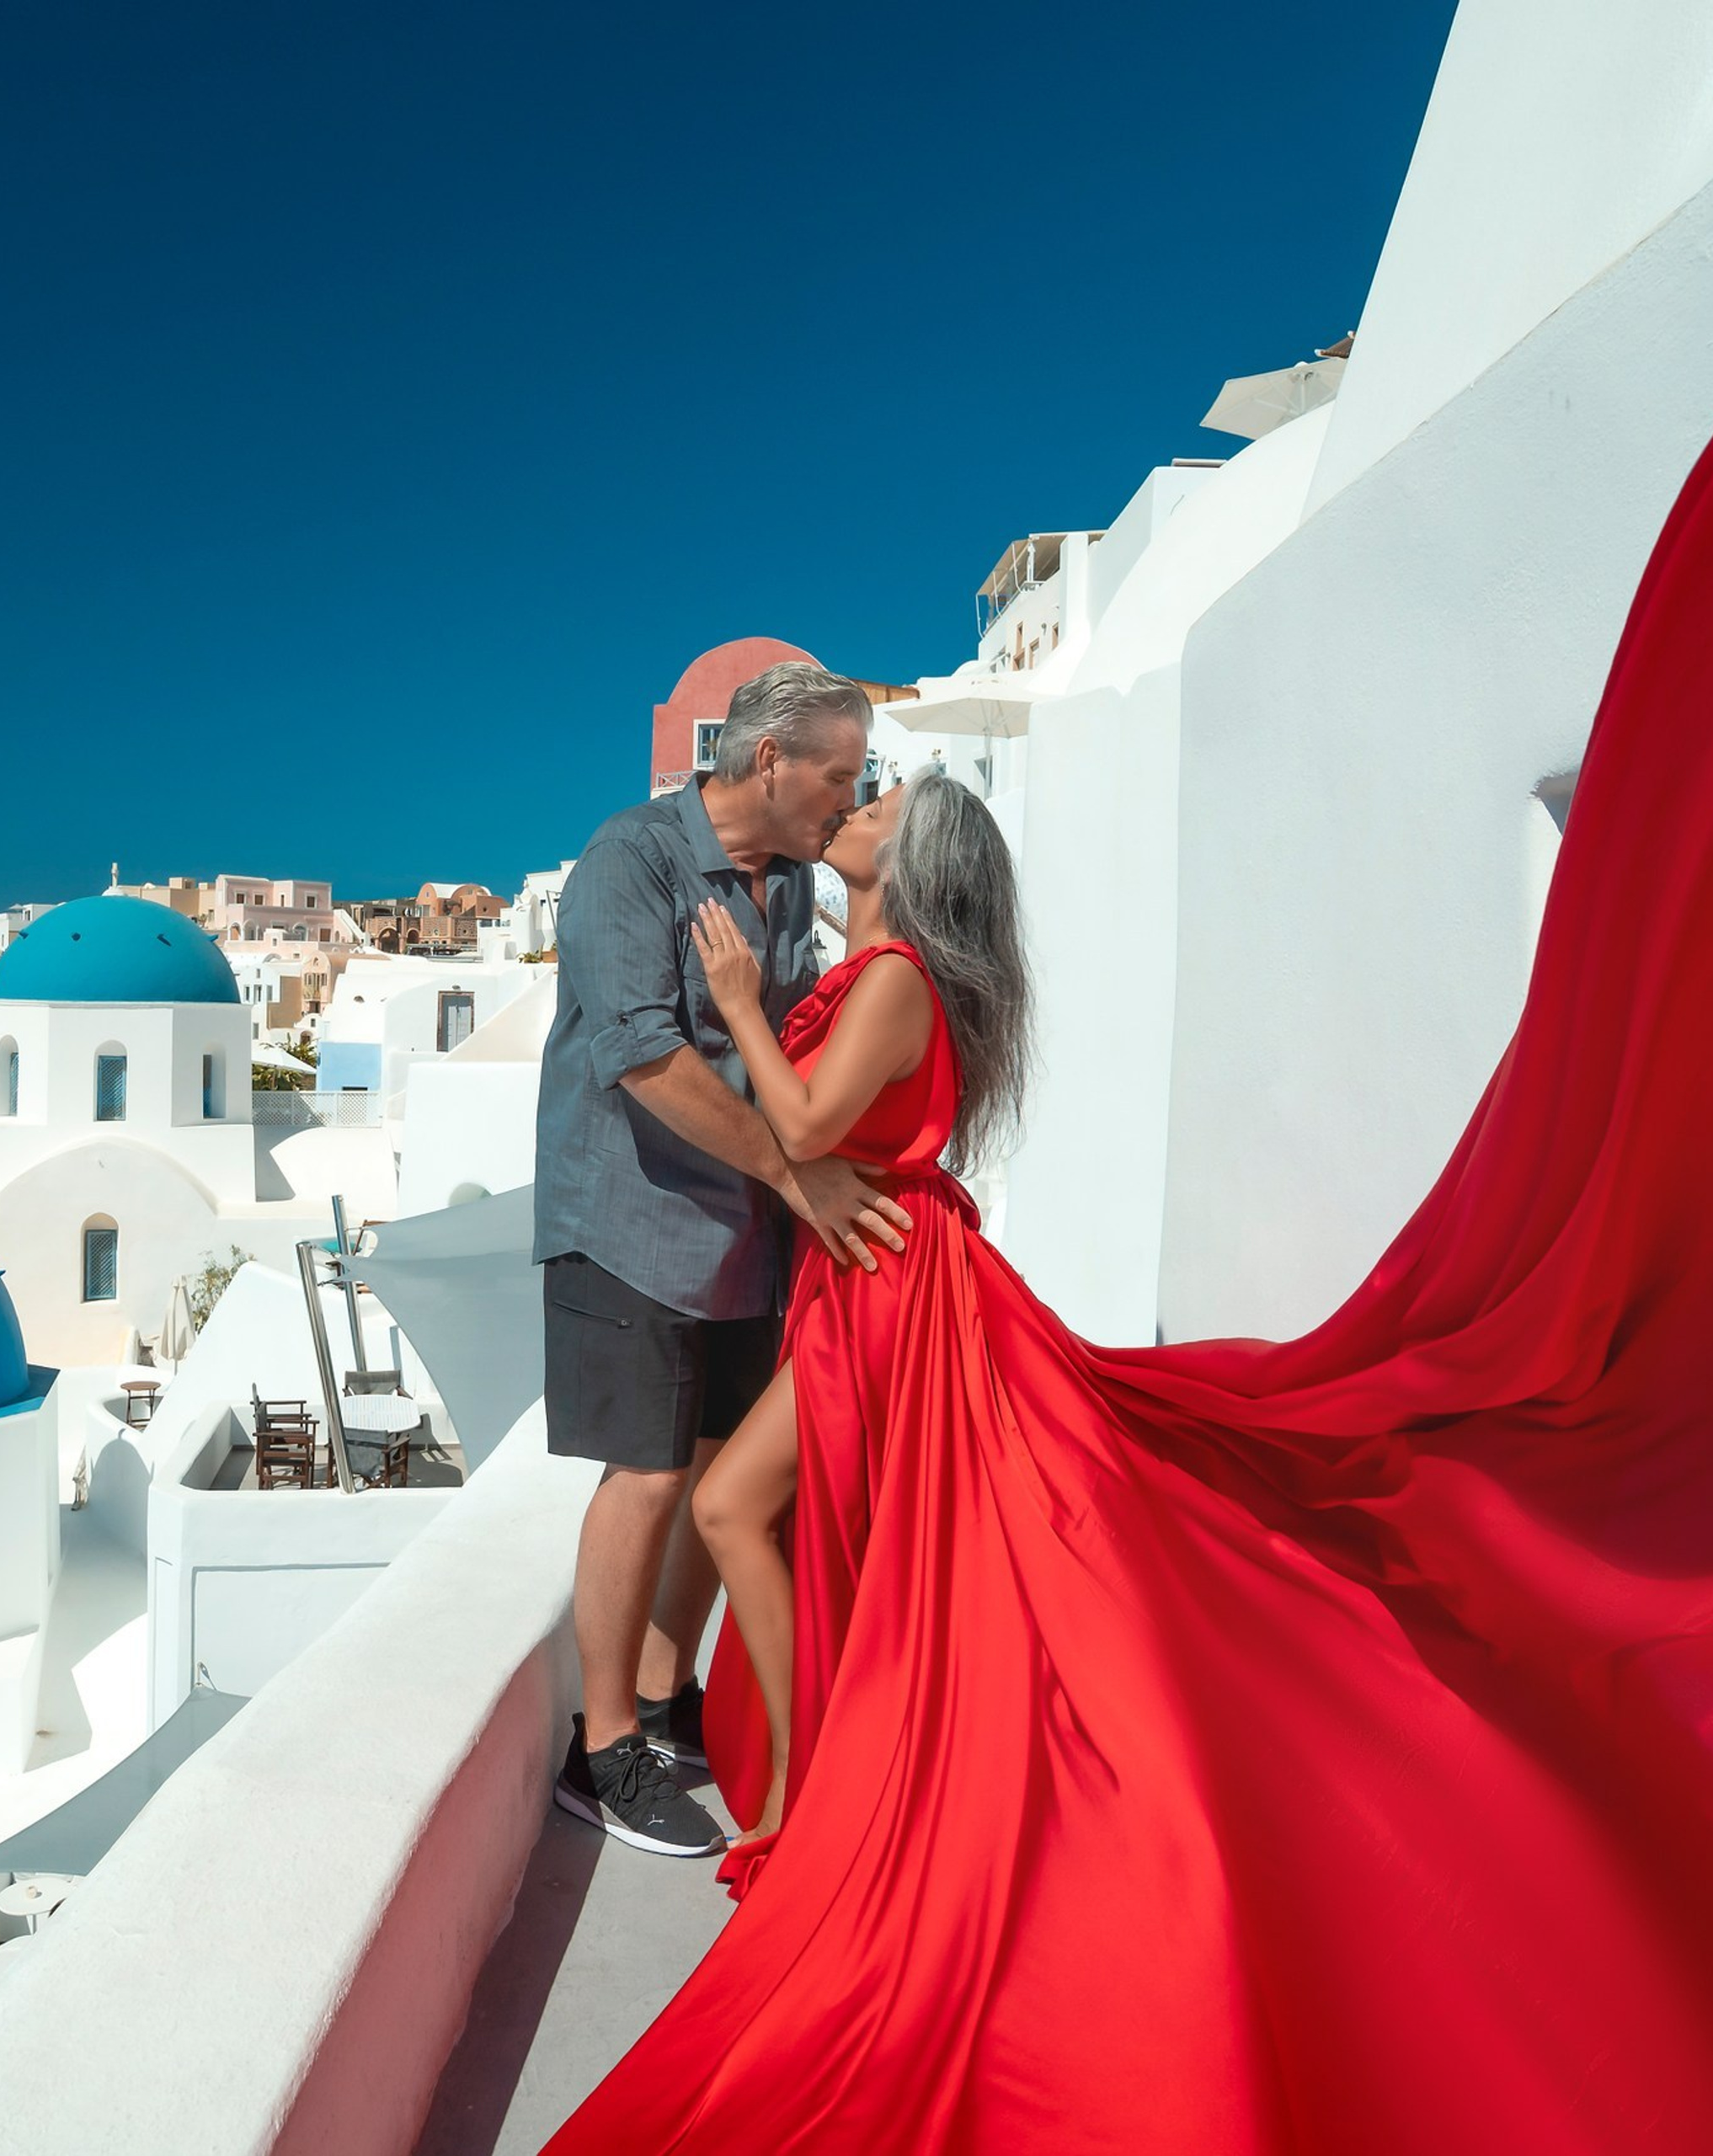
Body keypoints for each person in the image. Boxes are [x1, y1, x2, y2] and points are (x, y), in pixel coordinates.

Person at [544, 446, 1713, 2150]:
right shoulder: (801, 927)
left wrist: (733, 992)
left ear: (899, 859)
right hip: (851, 1280)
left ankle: (805, 1791)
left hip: (879, 1285)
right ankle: (788, 1772)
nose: (855, 806)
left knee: (741, 1500)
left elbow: (803, 1125)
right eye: (849, 782)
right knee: (777, 1509)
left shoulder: (863, 966)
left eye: (872, 798)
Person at [534, 659, 913, 1859]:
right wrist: (794, 1171)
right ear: (770, 762)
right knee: (644, 1477)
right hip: (628, 1223)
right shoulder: (629, 863)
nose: (848, 800)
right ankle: (602, 1751)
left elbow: (799, 1029)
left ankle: (660, 1691)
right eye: (839, 777)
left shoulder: (791, 883)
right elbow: (641, 1058)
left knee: (714, 1471)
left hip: (740, 1234)